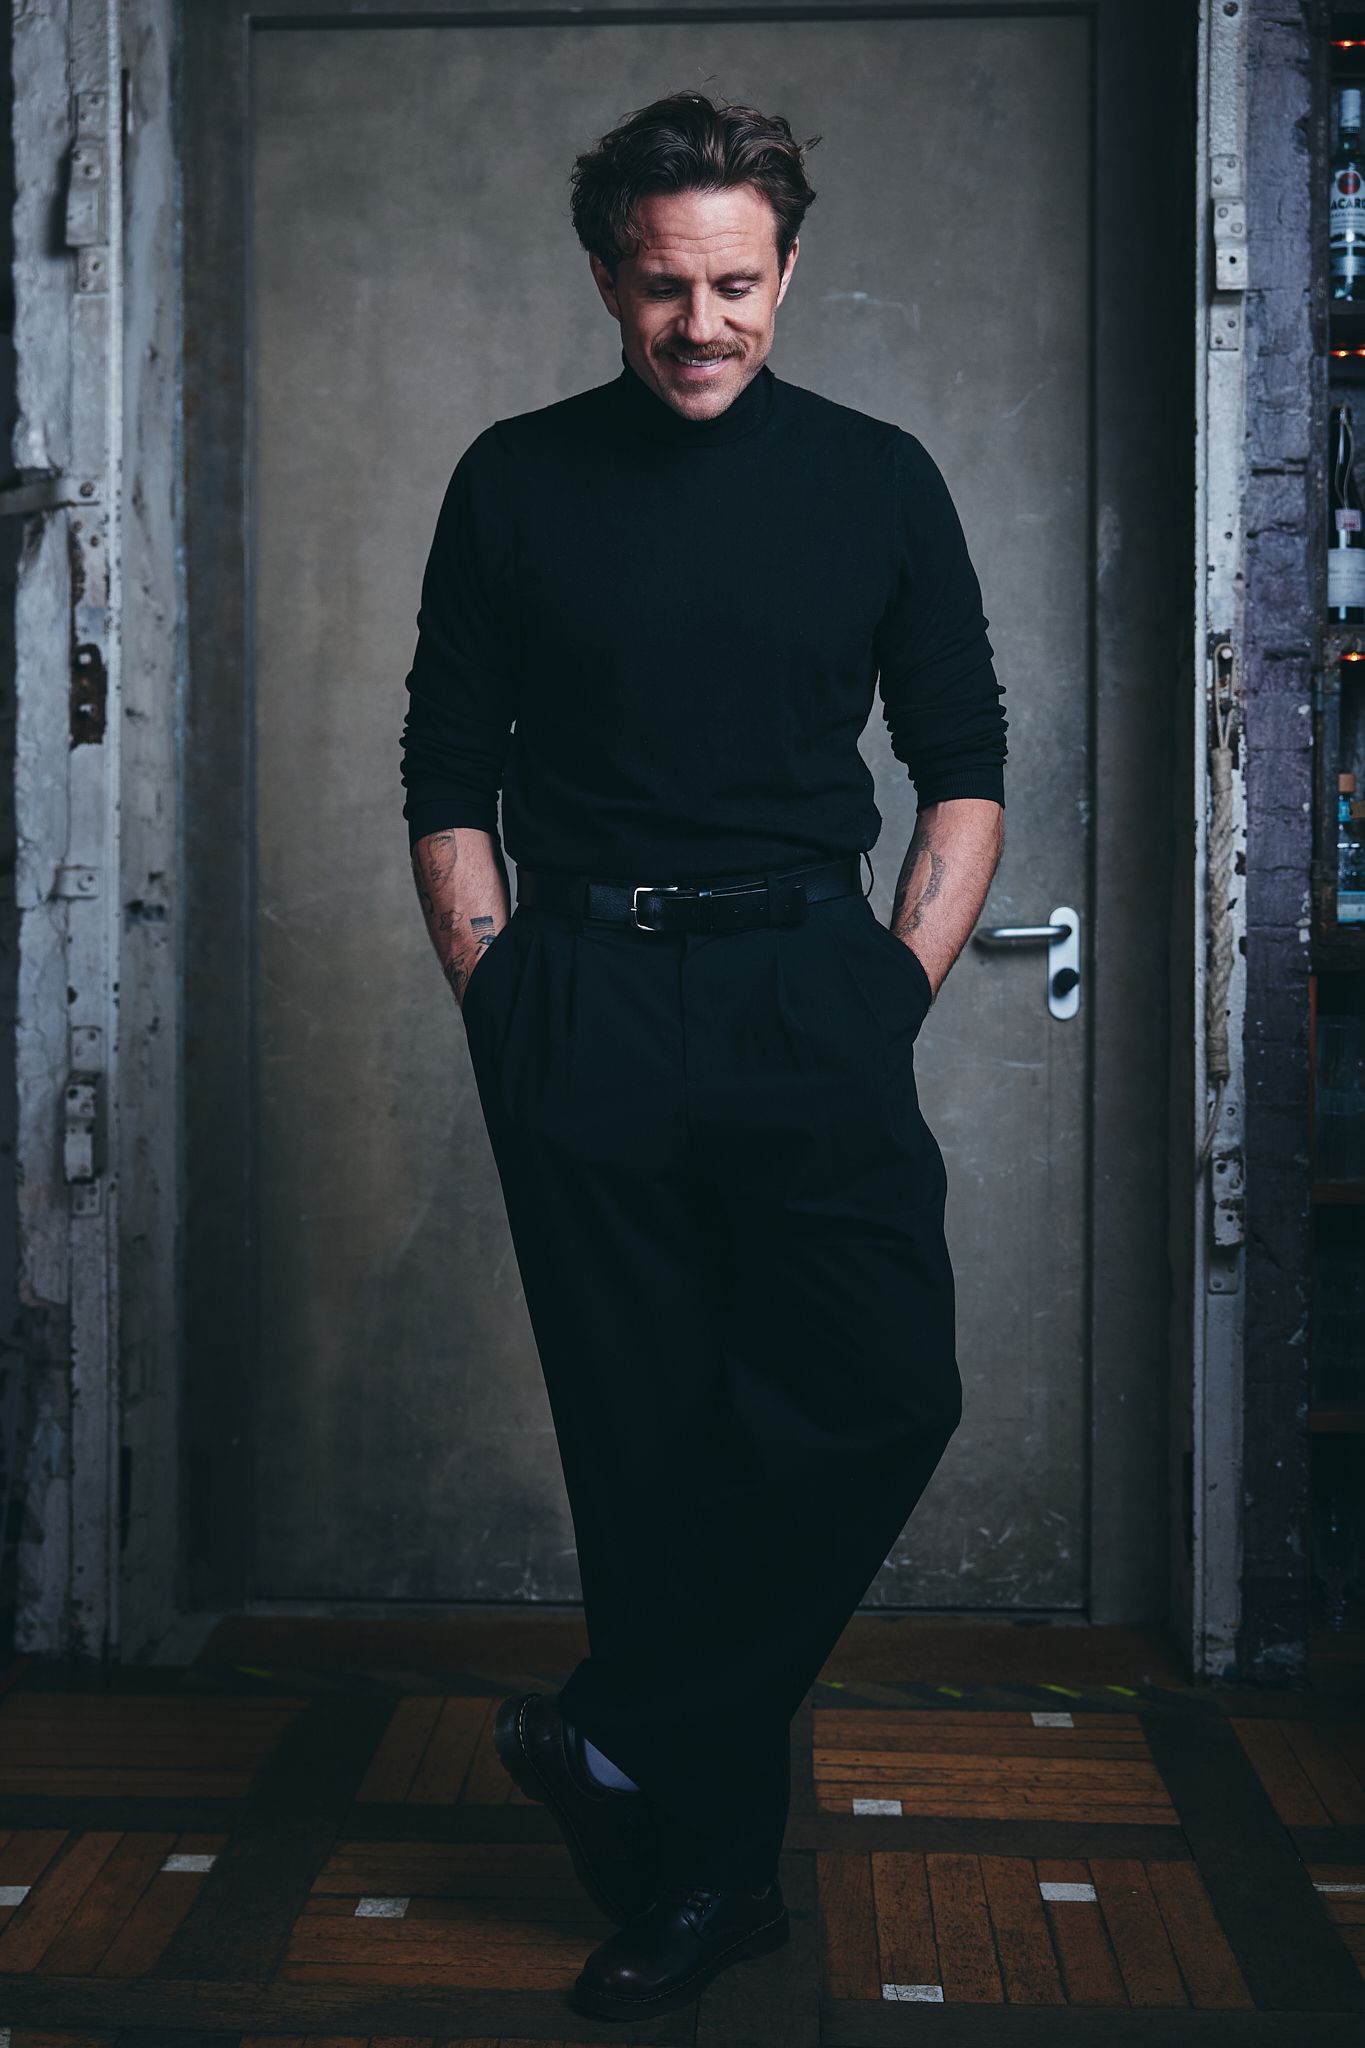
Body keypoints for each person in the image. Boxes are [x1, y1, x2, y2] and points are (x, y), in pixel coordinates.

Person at [399, 88, 1007, 2024]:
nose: (701, 324)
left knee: (879, 1391)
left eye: (736, 284)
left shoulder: (878, 478)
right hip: (579, 993)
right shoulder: (512, 478)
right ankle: (702, 1885)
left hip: (807, 988)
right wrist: (500, 992)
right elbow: (445, 766)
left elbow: (963, 762)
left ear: (788, 271)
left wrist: (885, 989)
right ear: (607, 278)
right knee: (647, 1454)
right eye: (665, 286)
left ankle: (611, 1728)